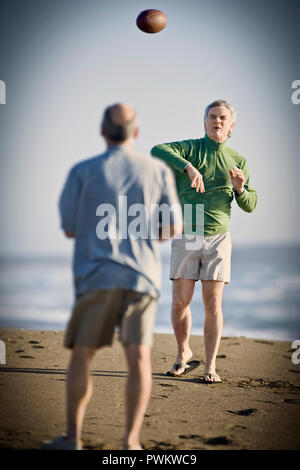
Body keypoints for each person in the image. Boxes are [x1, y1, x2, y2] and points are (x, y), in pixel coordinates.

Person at [41, 103, 182, 450]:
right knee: (139, 359)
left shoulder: (82, 171)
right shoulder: (158, 171)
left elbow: (70, 229)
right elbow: (174, 227)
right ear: (136, 133)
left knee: (82, 354)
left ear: (102, 131)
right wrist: (145, 237)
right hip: (142, 280)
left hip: (96, 277)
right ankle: (131, 442)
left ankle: (73, 438)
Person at [151, 99, 257, 383]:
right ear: (205, 122)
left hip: (219, 239)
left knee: (213, 306)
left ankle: (210, 366)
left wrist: (241, 188)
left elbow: (250, 205)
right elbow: (157, 150)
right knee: (179, 302)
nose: (217, 121)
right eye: (212, 117)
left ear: (231, 124)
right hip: (186, 236)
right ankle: (183, 353)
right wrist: (188, 168)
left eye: (223, 117)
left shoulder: (238, 160)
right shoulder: (191, 148)